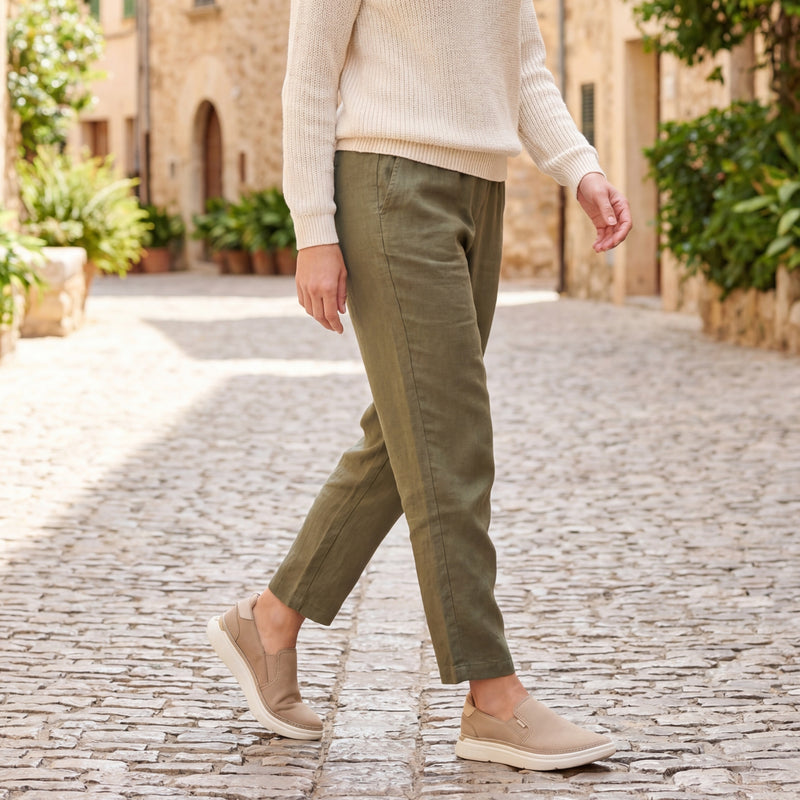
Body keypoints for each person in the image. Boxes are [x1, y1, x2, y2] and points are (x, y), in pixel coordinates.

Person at [207, 0, 632, 771]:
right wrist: (315, 230)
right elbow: (308, 77)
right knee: (450, 442)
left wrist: (581, 166)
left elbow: (523, 67)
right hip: (389, 187)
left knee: (407, 436)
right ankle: (493, 697)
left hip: (481, 191)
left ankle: (269, 620)